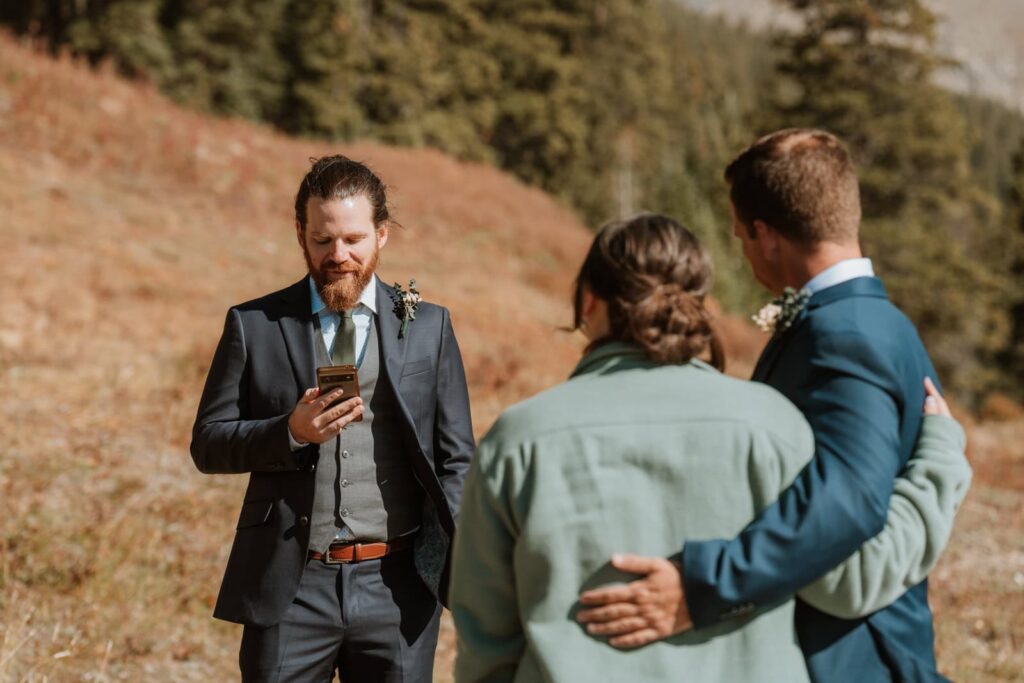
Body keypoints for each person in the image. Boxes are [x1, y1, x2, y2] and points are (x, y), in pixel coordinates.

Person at [449, 213, 968, 682]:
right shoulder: (774, 426)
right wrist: (938, 462)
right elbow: (854, 582)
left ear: (589, 302)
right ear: (697, 306)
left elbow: (486, 646)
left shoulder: (516, 440)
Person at [576, 130, 971, 682]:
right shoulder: (864, 321)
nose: (743, 249)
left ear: (766, 237)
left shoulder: (847, 334)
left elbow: (846, 505)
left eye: (740, 235)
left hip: (850, 660)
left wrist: (701, 585)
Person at [190, 155, 474, 682]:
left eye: (353, 239)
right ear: (301, 233)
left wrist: (467, 563)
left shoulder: (430, 326)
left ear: (382, 235)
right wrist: (288, 433)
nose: (338, 255)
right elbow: (207, 443)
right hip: (290, 589)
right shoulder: (253, 324)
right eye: (322, 240)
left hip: (400, 587)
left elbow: (457, 458)